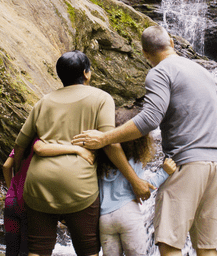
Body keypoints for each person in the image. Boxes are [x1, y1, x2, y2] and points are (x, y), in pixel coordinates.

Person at [72, 26, 217, 256]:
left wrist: (105, 137)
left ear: (145, 53)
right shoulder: (203, 72)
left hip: (187, 163)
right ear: (171, 43)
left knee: (169, 243)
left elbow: (150, 119)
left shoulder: (160, 72)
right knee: (206, 246)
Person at [9, 50, 153, 256]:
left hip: (39, 183)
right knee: (88, 250)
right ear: (86, 73)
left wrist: (17, 181)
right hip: (78, 185)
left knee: (38, 249)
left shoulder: (44, 101)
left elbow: (20, 145)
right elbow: (109, 143)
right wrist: (134, 180)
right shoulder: (101, 98)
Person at [97, 109, 177, 256]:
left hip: (104, 219)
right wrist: (164, 172)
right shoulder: (134, 162)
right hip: (128, 214)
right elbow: (143, 188)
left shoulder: (101, 163)